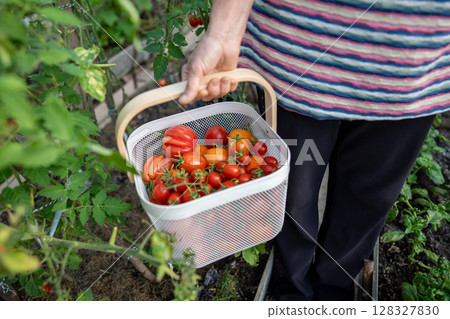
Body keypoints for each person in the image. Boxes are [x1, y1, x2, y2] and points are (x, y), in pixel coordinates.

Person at [179, 0, 450, 300]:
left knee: (368, 200)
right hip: (295, 57)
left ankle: (334, 291)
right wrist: (221, 34)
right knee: (291, 197)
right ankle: (291, 290)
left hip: (417, 72)